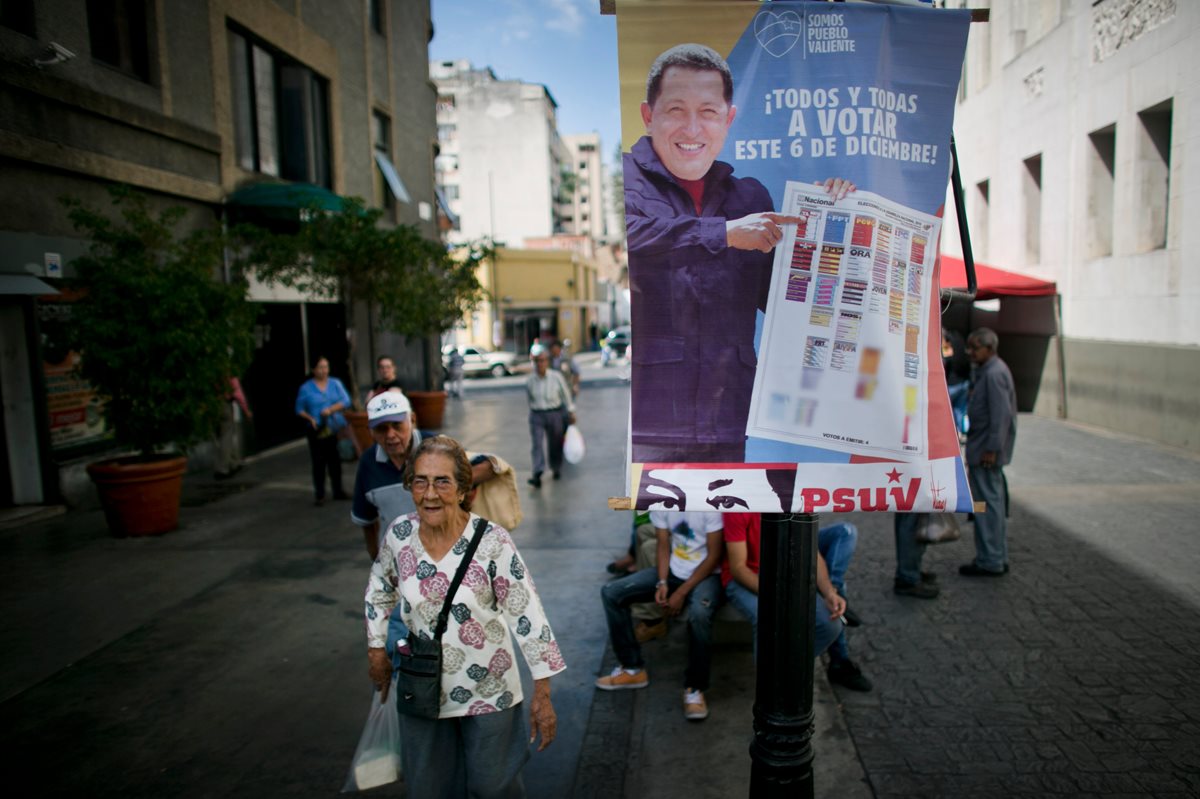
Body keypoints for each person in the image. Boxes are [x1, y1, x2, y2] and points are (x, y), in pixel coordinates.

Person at [625, 43, 854, 463]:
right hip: (652, 417)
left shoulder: (750, 197)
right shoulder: (624, 182)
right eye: (676, 109)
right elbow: (631, 240)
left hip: (729, 412)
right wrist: (724, 233)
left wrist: (830, 221)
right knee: (659, 524)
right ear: (648, 115)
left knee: (726, 524)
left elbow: (784, 299)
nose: (692, 128)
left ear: (728, 120)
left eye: (708, 112)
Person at [366, 436, 564, 797]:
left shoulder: (492, 542)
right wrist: (376, 648)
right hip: (422, 685)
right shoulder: (399, 535)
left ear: (462, 489)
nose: (430, 494)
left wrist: (543, 692)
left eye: (442, 481)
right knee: (429, 786)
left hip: (490, 689)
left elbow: (527, 614)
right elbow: (380, 589)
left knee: (495, 787)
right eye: (421, 481)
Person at [596, 510, 724, 721]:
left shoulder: (708, 502)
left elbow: (714, 556)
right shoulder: (665, 500)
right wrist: (662, 582)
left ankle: (695, 688)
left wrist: (681, 593)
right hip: (674, 571)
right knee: (611, 593)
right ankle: (632, 668)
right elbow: (663, 545)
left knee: (699, 614)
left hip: (707, 575)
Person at [723, 514, 873, 692]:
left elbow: (811, 552)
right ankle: (770, 689)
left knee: (831, 624)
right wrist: (781, 595)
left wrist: (829, 592)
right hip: (746, 580)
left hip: (782, 576)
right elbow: (738, 569)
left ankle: (789, 672)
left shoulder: (792, 500)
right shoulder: (740, 506)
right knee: (768, 618)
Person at [352, 391, 500, 560]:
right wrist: (376, 557)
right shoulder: (368, 463)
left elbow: (490, 466)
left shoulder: (437, 446)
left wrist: (448, 481)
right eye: (381, 429)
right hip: (398, 559)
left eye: (397, 425)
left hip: (447, 554)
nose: (391, 435)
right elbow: (366, 519)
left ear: (412, 420)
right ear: (370, 431)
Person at [960, 327, 1017, 577]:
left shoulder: (994, 374)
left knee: (987, 506)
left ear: (989, 348)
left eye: (975, 348)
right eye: (969, 347)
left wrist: (992, 448)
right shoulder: (987, 371)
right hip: (983, 449)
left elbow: (1001, 416)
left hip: (985, 452)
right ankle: (994, 556)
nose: (970, 352)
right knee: (989, 504)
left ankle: (990, 559)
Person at [294, 356, 350, 506]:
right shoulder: (306, 388)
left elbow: (346, 401)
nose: (323, 370)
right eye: (320, 367)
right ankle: (320, 494)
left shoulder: (335, 383)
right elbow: (298, 409)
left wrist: (331, 409)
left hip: (334, 427)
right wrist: (310, 418)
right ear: (313, 369)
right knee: (318, 462)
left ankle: (338, 490)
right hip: (316, 429)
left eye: (326, 367)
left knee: (335, 461)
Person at [525, 345, 575, 488]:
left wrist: (571, 411)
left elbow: (566, 395)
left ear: (547, 362)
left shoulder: (556, 377)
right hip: (537, 415)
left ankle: (556, 467)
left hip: (555, 413)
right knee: (537, 445)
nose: (540, 364)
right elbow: (529, 399)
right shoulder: (530, 380)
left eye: (543, 361)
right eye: (537, 361)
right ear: (534, 363)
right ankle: (537, 472)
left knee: (555, 443)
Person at [215, 376, 252, 479]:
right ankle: (223, 468)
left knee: (221, 436)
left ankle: (233, 462)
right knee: (226, 436)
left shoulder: (211, 373)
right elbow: (238, 394)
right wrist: (246, 410)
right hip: (225, 405)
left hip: (213, 406)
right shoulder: (229, 374)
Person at [943, 327, 971, 435]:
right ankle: (961, 431)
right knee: (960, 410)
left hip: (952, 385)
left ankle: (953, 433)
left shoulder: (948, 349)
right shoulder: (960, 343)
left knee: (948, 411)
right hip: (964, 382)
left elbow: (947, 365)